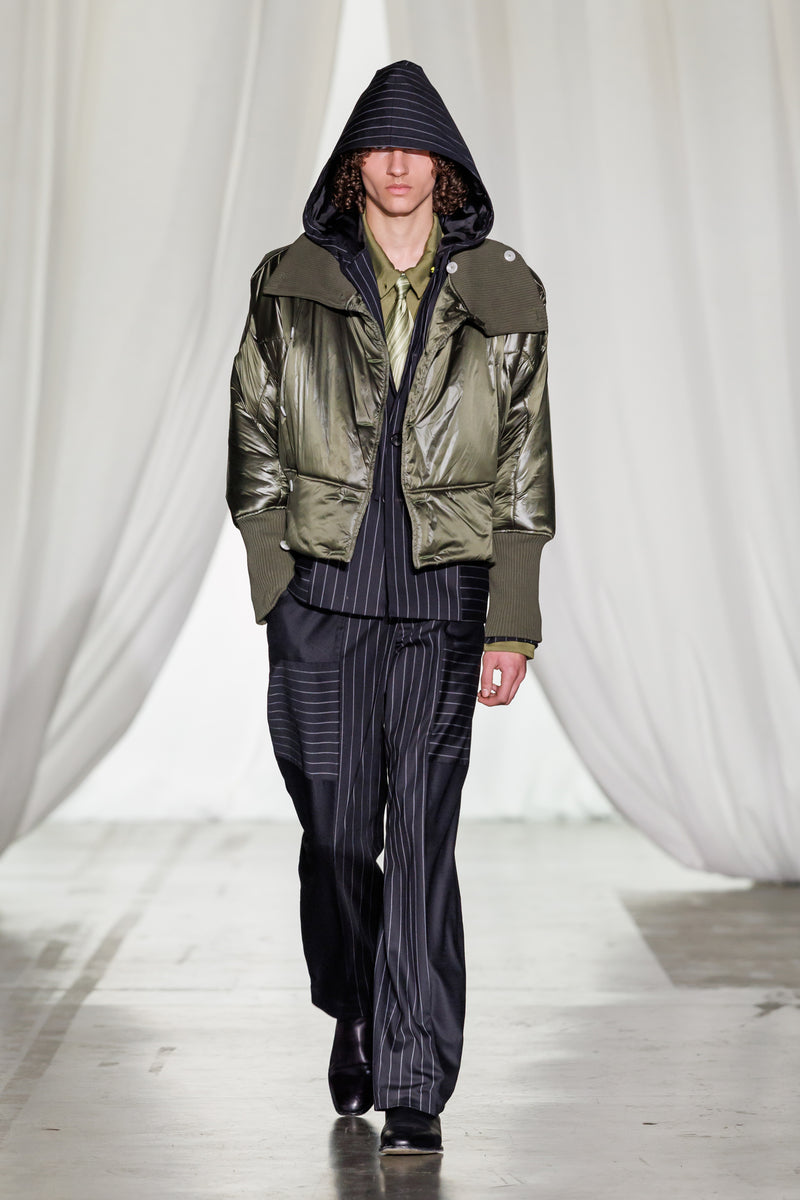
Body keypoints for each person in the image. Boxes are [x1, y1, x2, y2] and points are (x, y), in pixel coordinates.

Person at [226, 60, 554, 1155]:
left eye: (419, 147)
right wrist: (272, 573)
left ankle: (414, 1080)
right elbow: (252, 427)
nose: (401, 164)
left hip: (441, 596)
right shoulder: (291, 279)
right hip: (320, 591)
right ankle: (353, 1000)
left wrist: (511, 620)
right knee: (332, 835)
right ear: (354, 164)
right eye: (382, 146)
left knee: (418, 837)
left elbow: (524, 463)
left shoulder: (503, 289)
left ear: (446, 166)